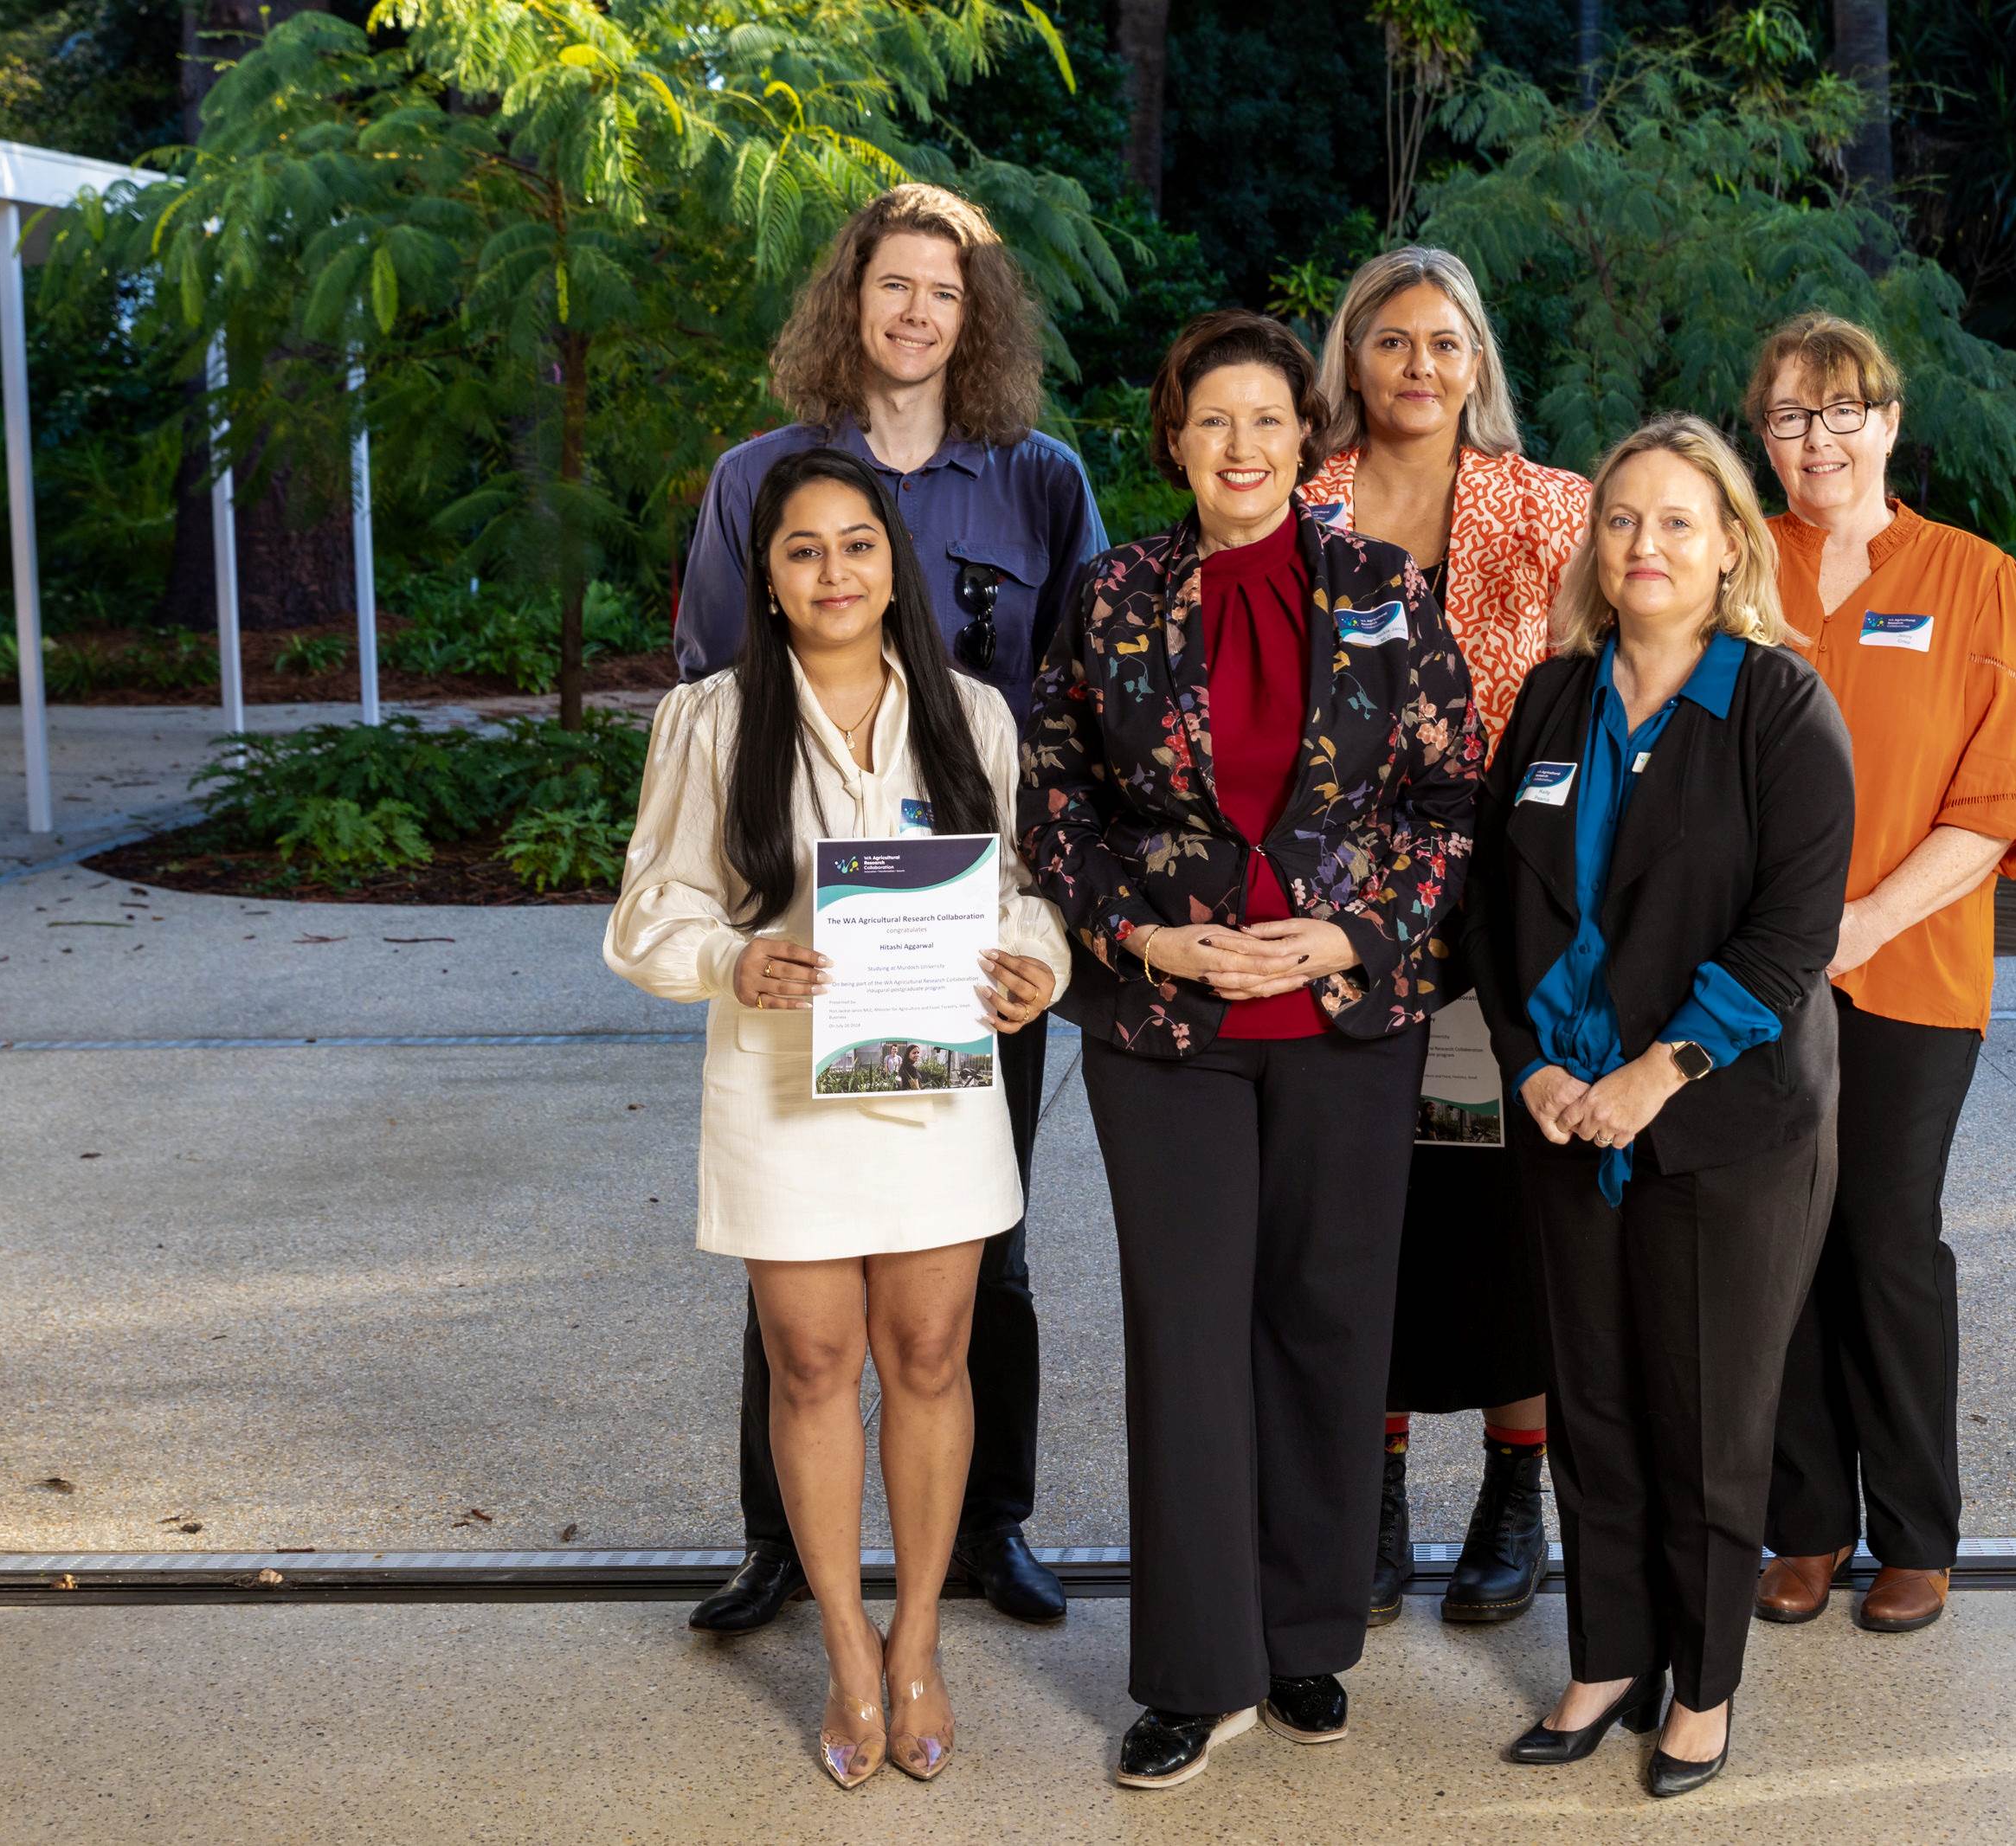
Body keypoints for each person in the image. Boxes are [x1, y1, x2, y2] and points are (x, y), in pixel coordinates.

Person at [1021, 310, 1485, 1790]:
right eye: (1210, 421)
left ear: (1308, 436)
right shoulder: (1110, 598)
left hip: (1347, 1023)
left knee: (1329, 1325)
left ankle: (1304, 1640)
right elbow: (1057, 803)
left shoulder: (1386, 591)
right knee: (1190, 1332)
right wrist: (1143, 938)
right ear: (1175, 440)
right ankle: (1192, 1671)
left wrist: (1353, 934)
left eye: (1267, 420)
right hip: (1168, 1027)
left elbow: (1450, 804)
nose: (1240, 446)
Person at [673, 183, 1108, 1633]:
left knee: (989, 1240)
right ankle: (780, 1542)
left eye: (947, 292)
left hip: (970, 936)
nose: (918, 313)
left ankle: (994, 1526)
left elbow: (1087, 700)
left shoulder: (1040, 478)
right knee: (796, 1251)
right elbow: (709, 693)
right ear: (848, 300)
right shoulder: (762, 477)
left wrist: (1042, 931)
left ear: (976, 316)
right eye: (894, 286)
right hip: (803, 940)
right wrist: (747, 937)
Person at [606, 447, 1072, 1786]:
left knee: (931, 1353)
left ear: (894, 561)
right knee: (812, 1366)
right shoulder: (708, 720)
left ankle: (919, 1633)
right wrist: (727, 960)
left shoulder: (972, 714)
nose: (833, 571)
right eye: (803, 548)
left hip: (933, 1090)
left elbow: (1030, 888)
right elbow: (649, 913)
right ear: (766, 571)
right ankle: (846, 1649)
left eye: (857, 544)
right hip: (783, 1090)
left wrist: (1035, 959)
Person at [1464, 413, 1854, 1798]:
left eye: (1679, 520)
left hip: (1720, 1122)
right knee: (1594, 1400)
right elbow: (1490, 914)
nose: (1646, 544)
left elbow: (1790, 933)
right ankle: (1608, 1654)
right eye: (1623, 518)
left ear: (1731, 545)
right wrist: (1535, 1067)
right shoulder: (1552, 703)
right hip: (1562, 1115)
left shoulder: (1778, 706)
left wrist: (1652, 1075)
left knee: (1707, 1411)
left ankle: (1705, 1679)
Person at [1745, 312, 2016, 1636]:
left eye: (1841, 410)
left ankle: (1918, 1532)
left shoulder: (1977, 579)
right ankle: (1806, 1523)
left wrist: (1864, 922)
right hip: (1749, 976)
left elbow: (2000, 799)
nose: (1817, 438)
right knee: (1778, 1250)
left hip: (1909, 964)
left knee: (1883, 1237)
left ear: (1889, 418)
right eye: (1787, 416)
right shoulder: (1735, 569)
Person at [1299, 247, 1593, 1630]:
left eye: (1445, 343)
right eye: (1392, 341)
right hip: (1338, 915)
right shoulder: (1295, 505)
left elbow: (1612, 687)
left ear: (1479, 364)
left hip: (1513, 903)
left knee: (1504, 1200)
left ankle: (1514, 1488)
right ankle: (1375, 1487)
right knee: (1369, 1202)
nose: (1419, 367)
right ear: (1349, 359)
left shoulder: (1554, 509)